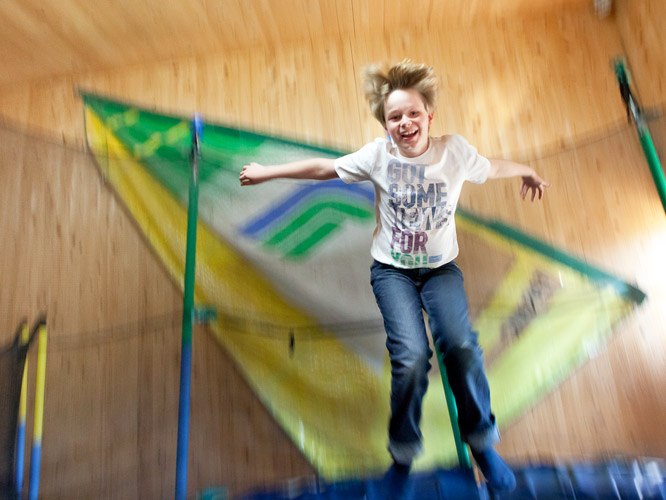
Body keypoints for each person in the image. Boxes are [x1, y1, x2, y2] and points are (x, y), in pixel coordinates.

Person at [240, 60, 549, 496]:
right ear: (386, 126)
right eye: (394, 117)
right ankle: (402, 458)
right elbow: (323, 169)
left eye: (412, 114)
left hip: (440, 271)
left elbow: (489, 166)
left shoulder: (454, 151)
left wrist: (525, 170)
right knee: (410, 359)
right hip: (393, 274)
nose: (404, 123)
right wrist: (267, 172)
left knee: (460, 347)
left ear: (429, 116)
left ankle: (482, 444)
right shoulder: (377, 155)